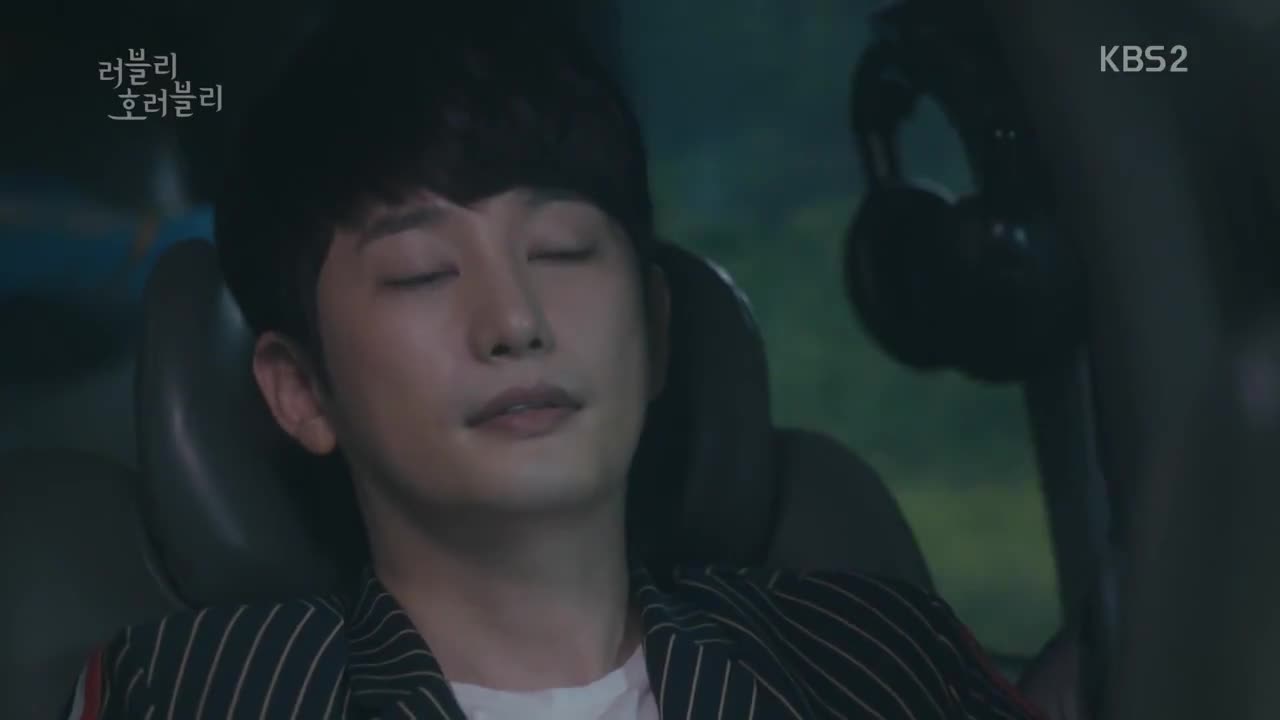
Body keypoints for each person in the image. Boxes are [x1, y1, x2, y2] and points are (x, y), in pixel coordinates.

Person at [69, 4, 1046, 719]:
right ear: (300, 390)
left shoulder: (870, 656)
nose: (514, 321)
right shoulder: (203, 691)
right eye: (419, 273)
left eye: (563, 251)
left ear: (654, 329)